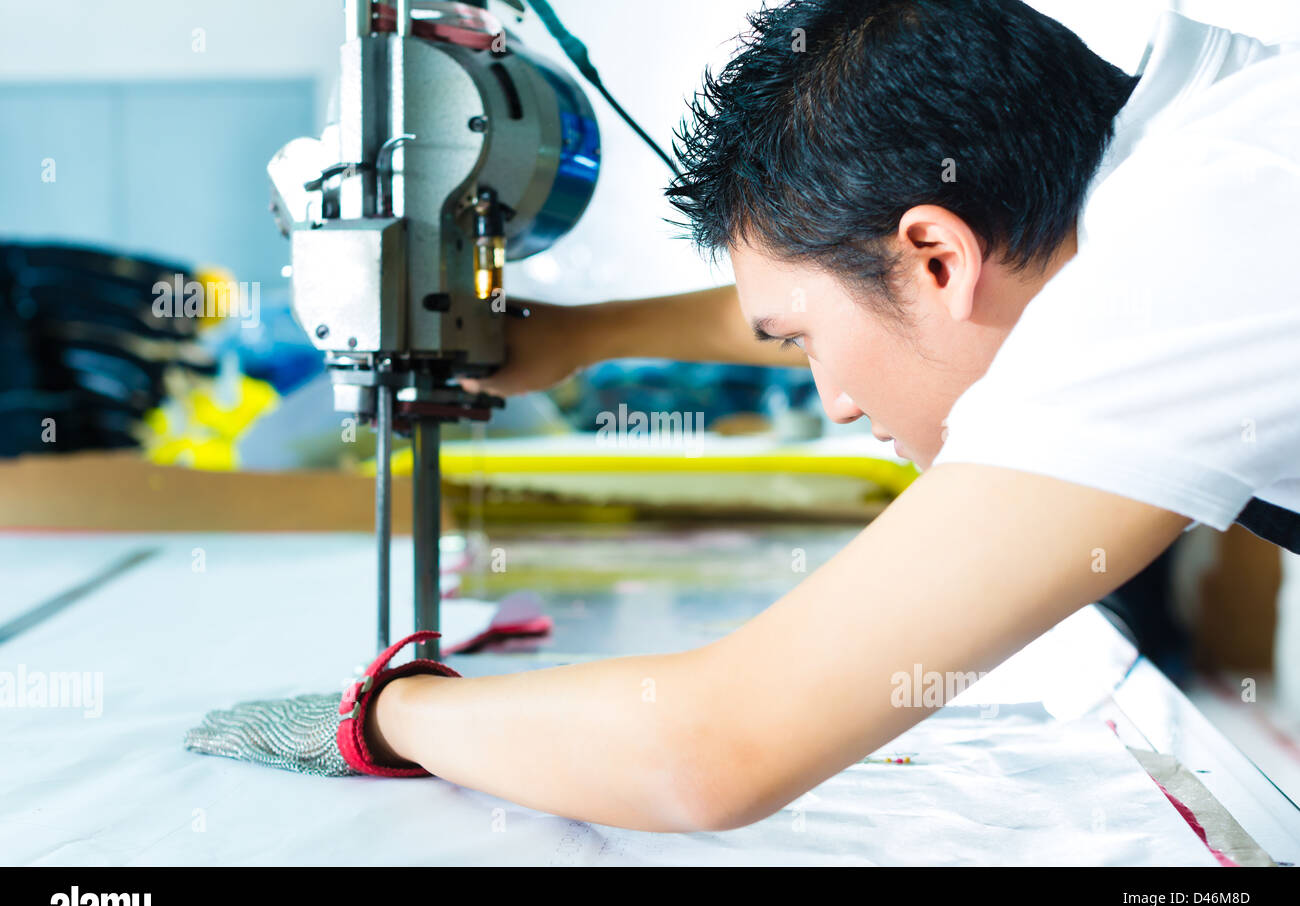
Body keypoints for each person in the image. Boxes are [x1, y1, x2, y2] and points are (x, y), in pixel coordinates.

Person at [187, 0, 1300, 832]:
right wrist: (580, 334)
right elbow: (871, 288)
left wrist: (380, 715)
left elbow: (714, 744)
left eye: (802, 342)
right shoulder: (1198, 161)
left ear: (935, 252)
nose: (838, 399)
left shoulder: (1175, 263)